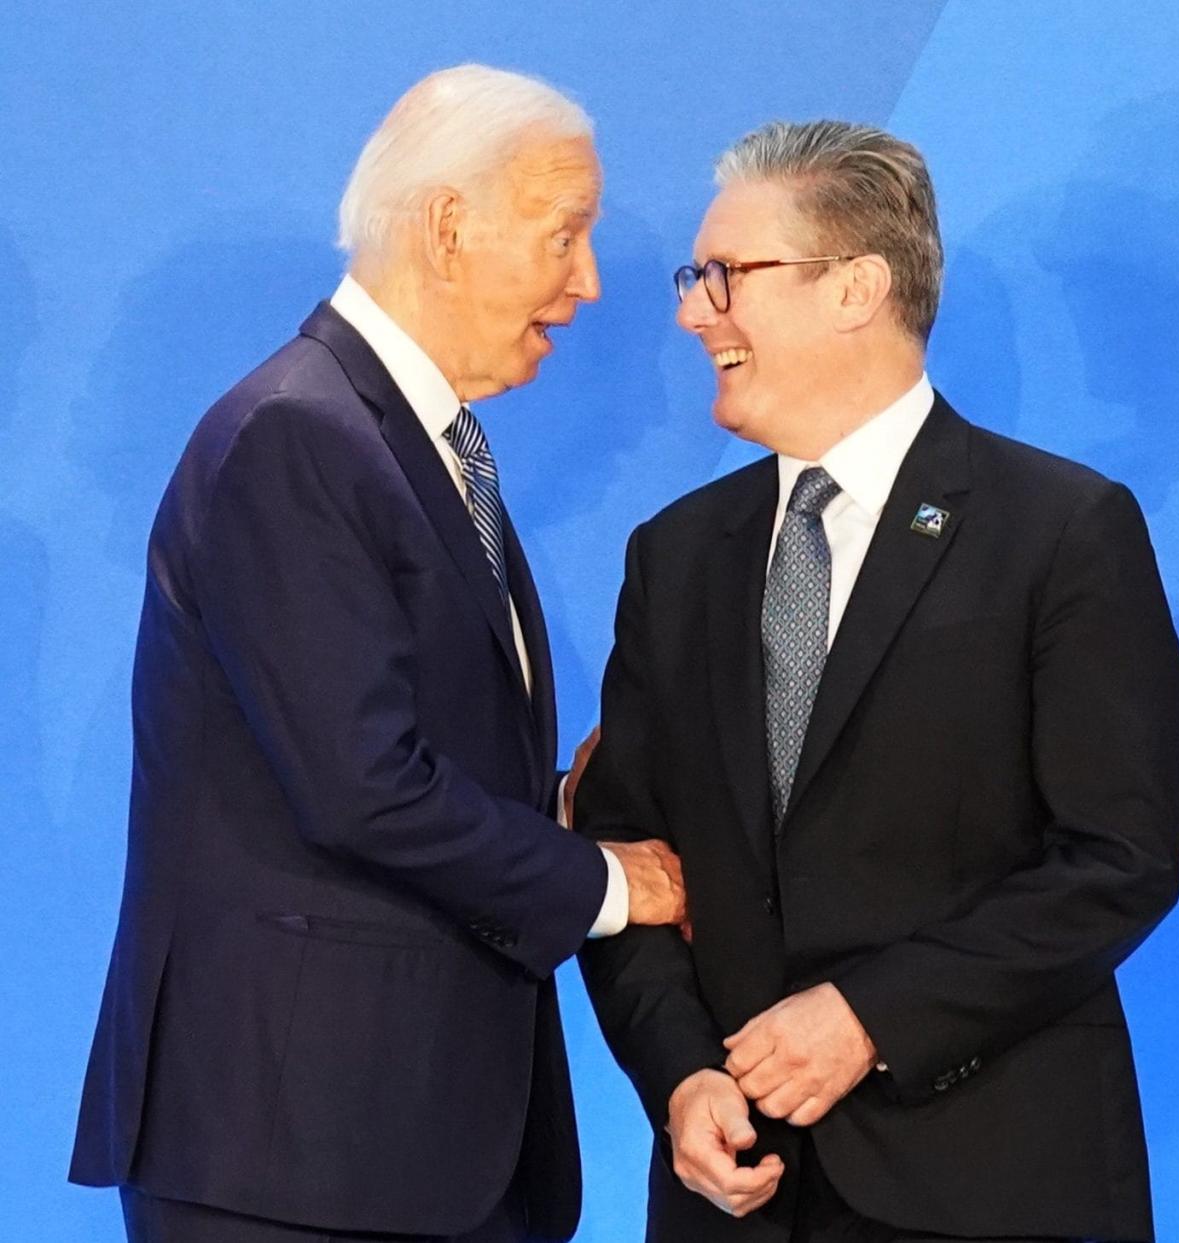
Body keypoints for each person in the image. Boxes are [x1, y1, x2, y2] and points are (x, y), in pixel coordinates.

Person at [69, 65, 685, 1243]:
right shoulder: (298, 435)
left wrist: (560, 805)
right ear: (450, 228)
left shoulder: (415, 440)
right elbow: (362, 784)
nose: (590, 282)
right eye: (566, 235)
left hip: (409, 1140)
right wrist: (614, 881)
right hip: (296, 1156)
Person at [577, 120, 1179, 1243]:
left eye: (725, 275)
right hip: (739, 1197)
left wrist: (871, 1016)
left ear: (856, 286)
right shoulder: (675, 556)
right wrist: (679, 1077)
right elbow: (631, 863)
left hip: (988, 1188)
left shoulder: (1061, 532)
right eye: (693, 278)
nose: (691, 310)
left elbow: (1118, 859)